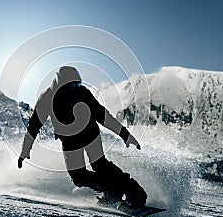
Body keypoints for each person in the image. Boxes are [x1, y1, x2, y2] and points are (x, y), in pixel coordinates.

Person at [17, 66, 147, 208]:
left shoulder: (82, 93)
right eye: (73, 85)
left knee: (99, 164)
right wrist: (25, 150)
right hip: (69, 140)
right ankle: (111, 190)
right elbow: (34, 125)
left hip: (89, 133)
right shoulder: (47, 98)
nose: (76, 87)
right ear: (61, 84)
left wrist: (125, 134)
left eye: (78, 84)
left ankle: (134, 192)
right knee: (78, 177)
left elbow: (102, 115)